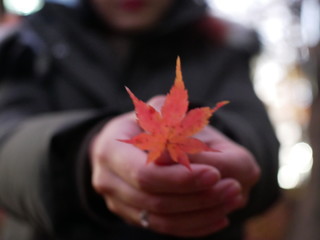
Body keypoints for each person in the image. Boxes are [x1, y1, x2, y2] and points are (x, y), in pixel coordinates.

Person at [0, 0, 280, 239]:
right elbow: (6, 140)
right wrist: (79, 154)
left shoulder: (217, 45)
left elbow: (260, 146)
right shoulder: (29, 40)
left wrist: (222, 151)